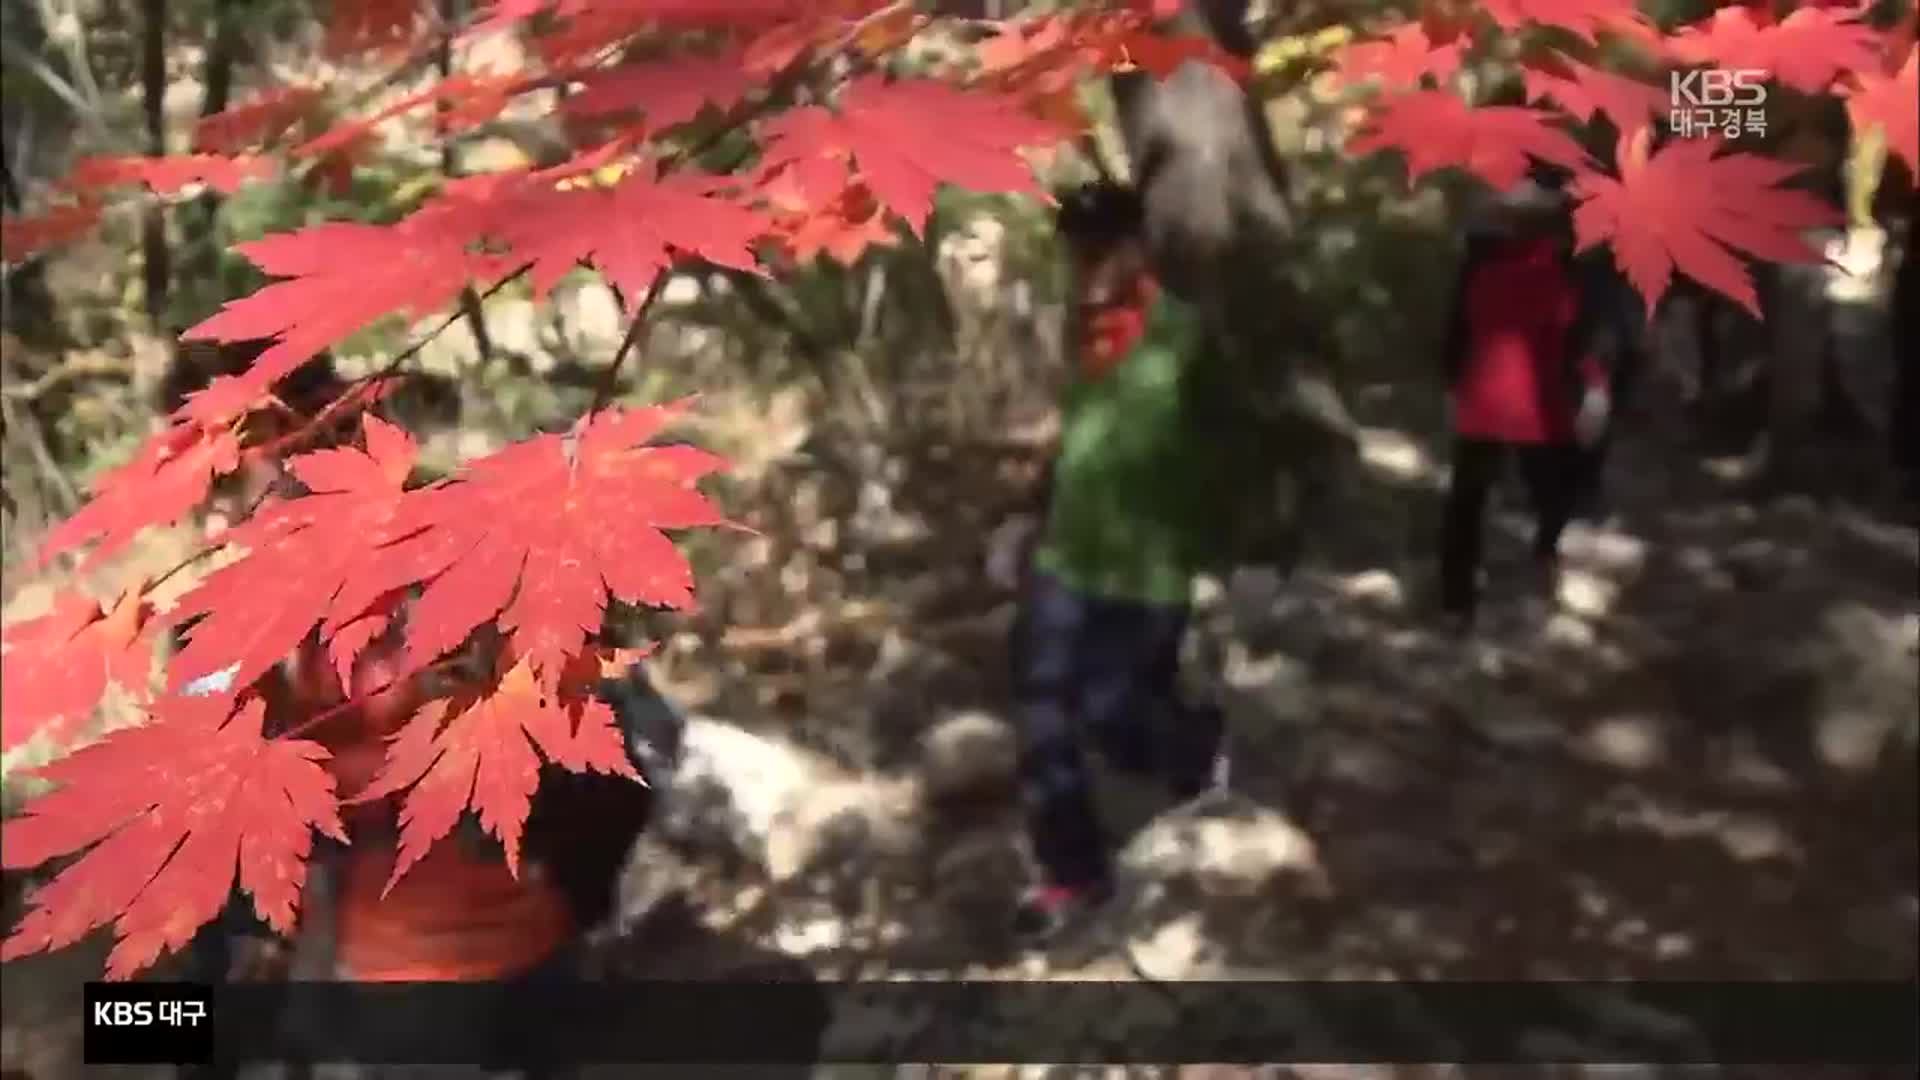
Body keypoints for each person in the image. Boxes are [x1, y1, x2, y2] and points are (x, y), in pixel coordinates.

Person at [999, 180, 1272, 943]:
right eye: (1076, 254)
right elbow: (1081, 433)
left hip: (1150, 564)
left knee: (1116, 716)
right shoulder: (1081, 331)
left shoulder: (1188, 337)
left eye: (1101, 250)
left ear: (1137, 246)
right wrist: (1026, 518)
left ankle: (1198, 745)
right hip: (1066, 556)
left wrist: (1239, 552)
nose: (1087, 269)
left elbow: (1236, 449)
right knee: (1041, 709)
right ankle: (1073, 872)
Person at [1437, 172, 1614, 631]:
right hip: (1537, 402)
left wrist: (1451, 386)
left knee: (1468, 500)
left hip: (1484, 398)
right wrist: (1594, 389)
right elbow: (1577, 343)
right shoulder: (1560, 277)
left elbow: (1456, 336)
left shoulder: (1479, 272)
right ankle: (1543, 558)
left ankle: (1456, 600)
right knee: (1554, 488)